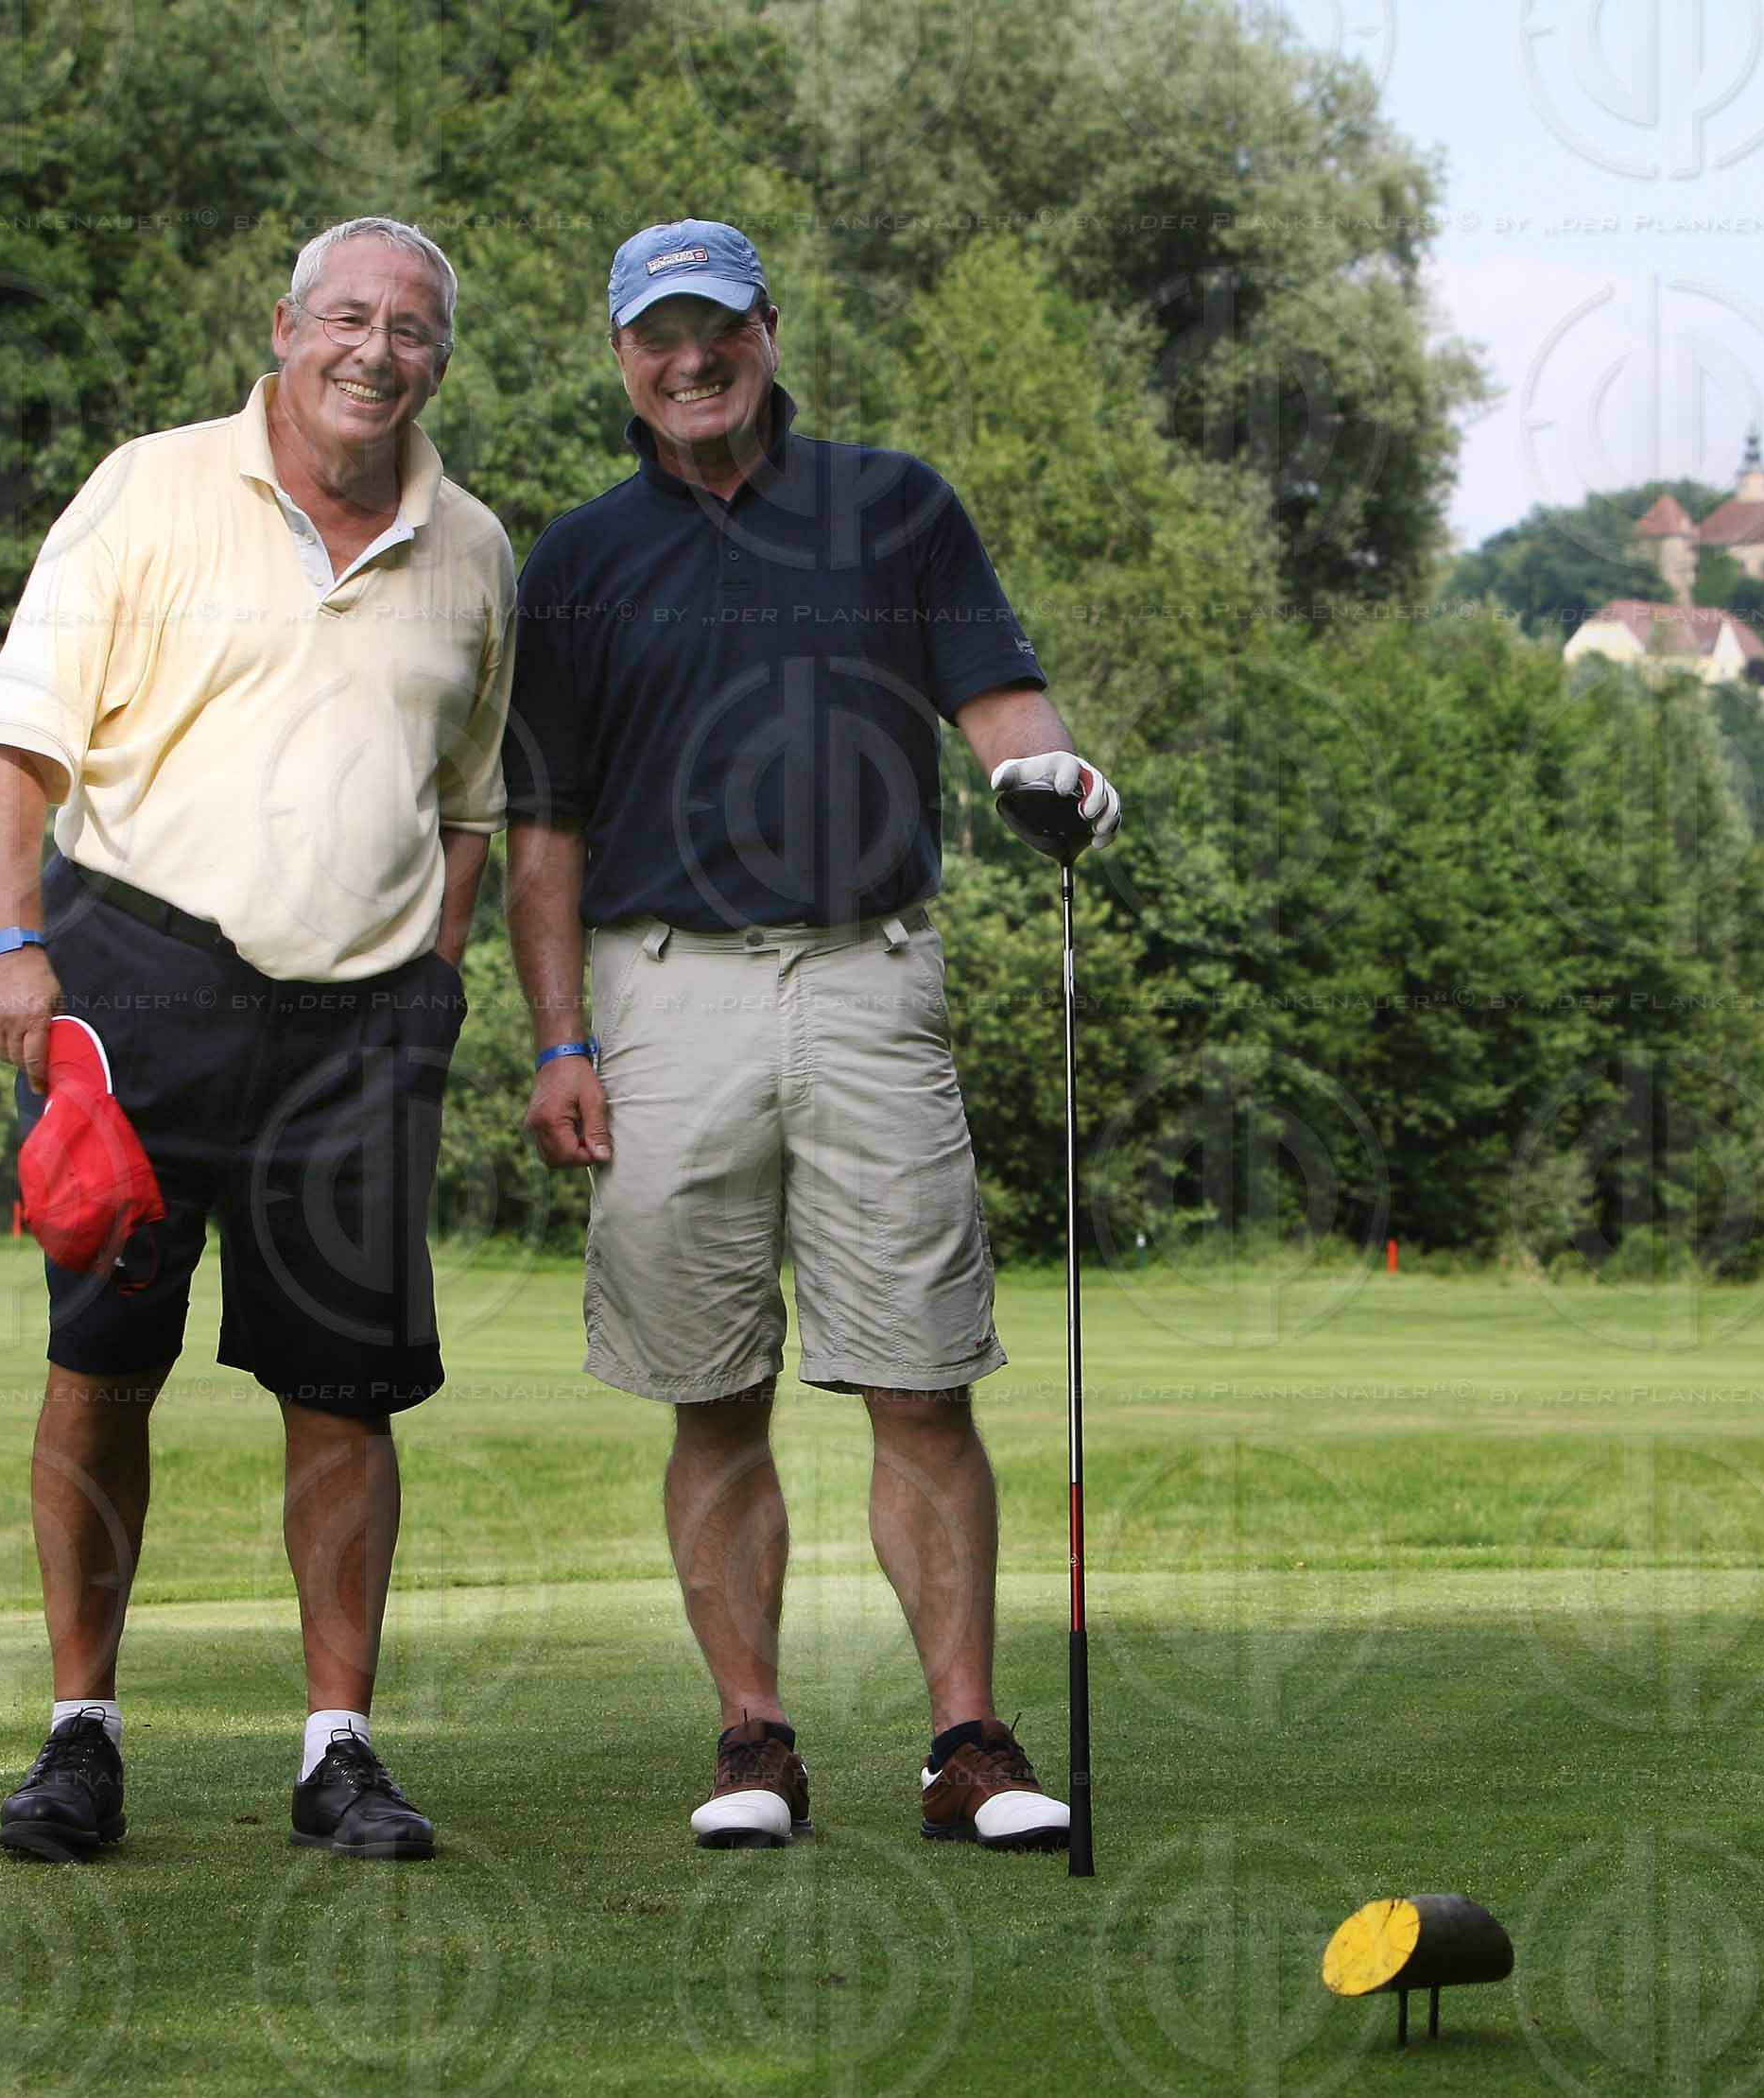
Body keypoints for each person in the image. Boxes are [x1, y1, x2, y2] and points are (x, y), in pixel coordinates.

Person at [503, 219, 1123, 1851]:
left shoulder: (894, 505)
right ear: (620, 356)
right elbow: (543, 830)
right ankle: (753, 1744)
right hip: (659, 990)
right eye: (657, 335)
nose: (689, 360)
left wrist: (1049, 778)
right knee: (711, 1393)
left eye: (716, 327)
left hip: (866, 977)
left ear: (768, 330)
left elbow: (1000, 701)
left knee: (920, 1381)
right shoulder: (575, 560)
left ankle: (966, 1746)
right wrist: (558, 1041)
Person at [0, 217, 514, 1861]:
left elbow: (472, 802)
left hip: (361, 1031)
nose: (375, 351)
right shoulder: (147, 486)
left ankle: (338, 1752)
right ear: (283, 326)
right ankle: (79, 1736)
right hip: (137, 984)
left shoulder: (474, 547)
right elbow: (15, 742)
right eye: (347, 317)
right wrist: (10, 941)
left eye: (410, 329)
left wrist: (435, 985)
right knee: (102, 1367)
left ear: (439, 359)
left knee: (345, 1392)